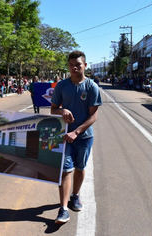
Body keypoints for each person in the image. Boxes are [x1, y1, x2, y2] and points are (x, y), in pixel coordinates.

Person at [50, 51, 102, 224]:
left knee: (80, 168)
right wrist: (62, 110)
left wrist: (77, 132)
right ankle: (63, 209)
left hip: (84, 137)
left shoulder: (91, 87)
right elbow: (53, 109)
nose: (74, 67)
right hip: (65, 137)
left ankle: (75, 195)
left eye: (78, 64)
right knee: (65, 170)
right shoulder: (61, 86)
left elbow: (93, 116)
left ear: (85, 65)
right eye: (71, 64)